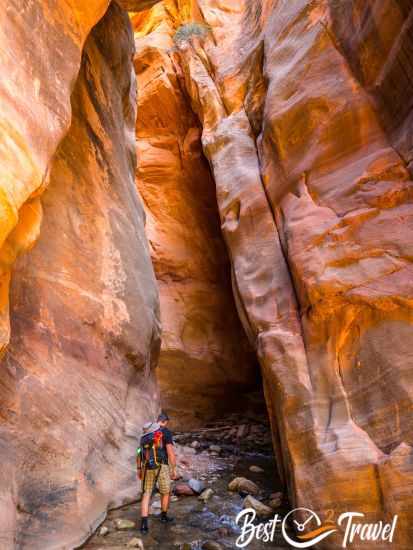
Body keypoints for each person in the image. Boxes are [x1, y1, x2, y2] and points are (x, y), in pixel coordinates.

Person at [137, 413, 177, 533]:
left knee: (146, 494)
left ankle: (144, 525)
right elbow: (170, 453)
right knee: (165, 492)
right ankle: (163, 517)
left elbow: (139, 453)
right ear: (164, 422)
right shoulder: (165, 432)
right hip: (162, 466)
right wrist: (173, 469)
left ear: (157, 420)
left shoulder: (145, 436)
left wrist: (139, 469)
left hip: (147, 467)